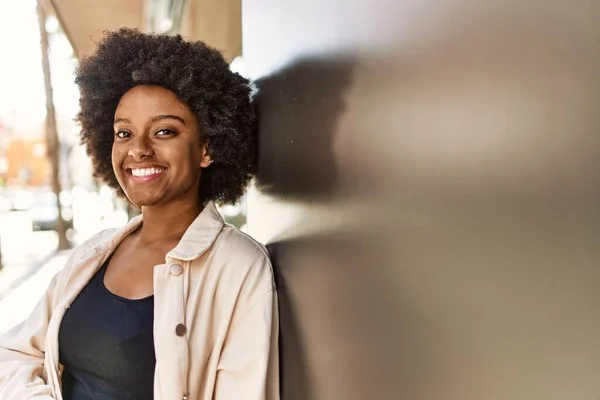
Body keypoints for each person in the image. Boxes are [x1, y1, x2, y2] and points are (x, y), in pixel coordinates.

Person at [0, 28, 279, 400]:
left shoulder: (239, 267)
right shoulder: (95, 253)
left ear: (206, 149)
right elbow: (14, 353)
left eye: (164, 131)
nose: (139, 150)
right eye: (124, 133)